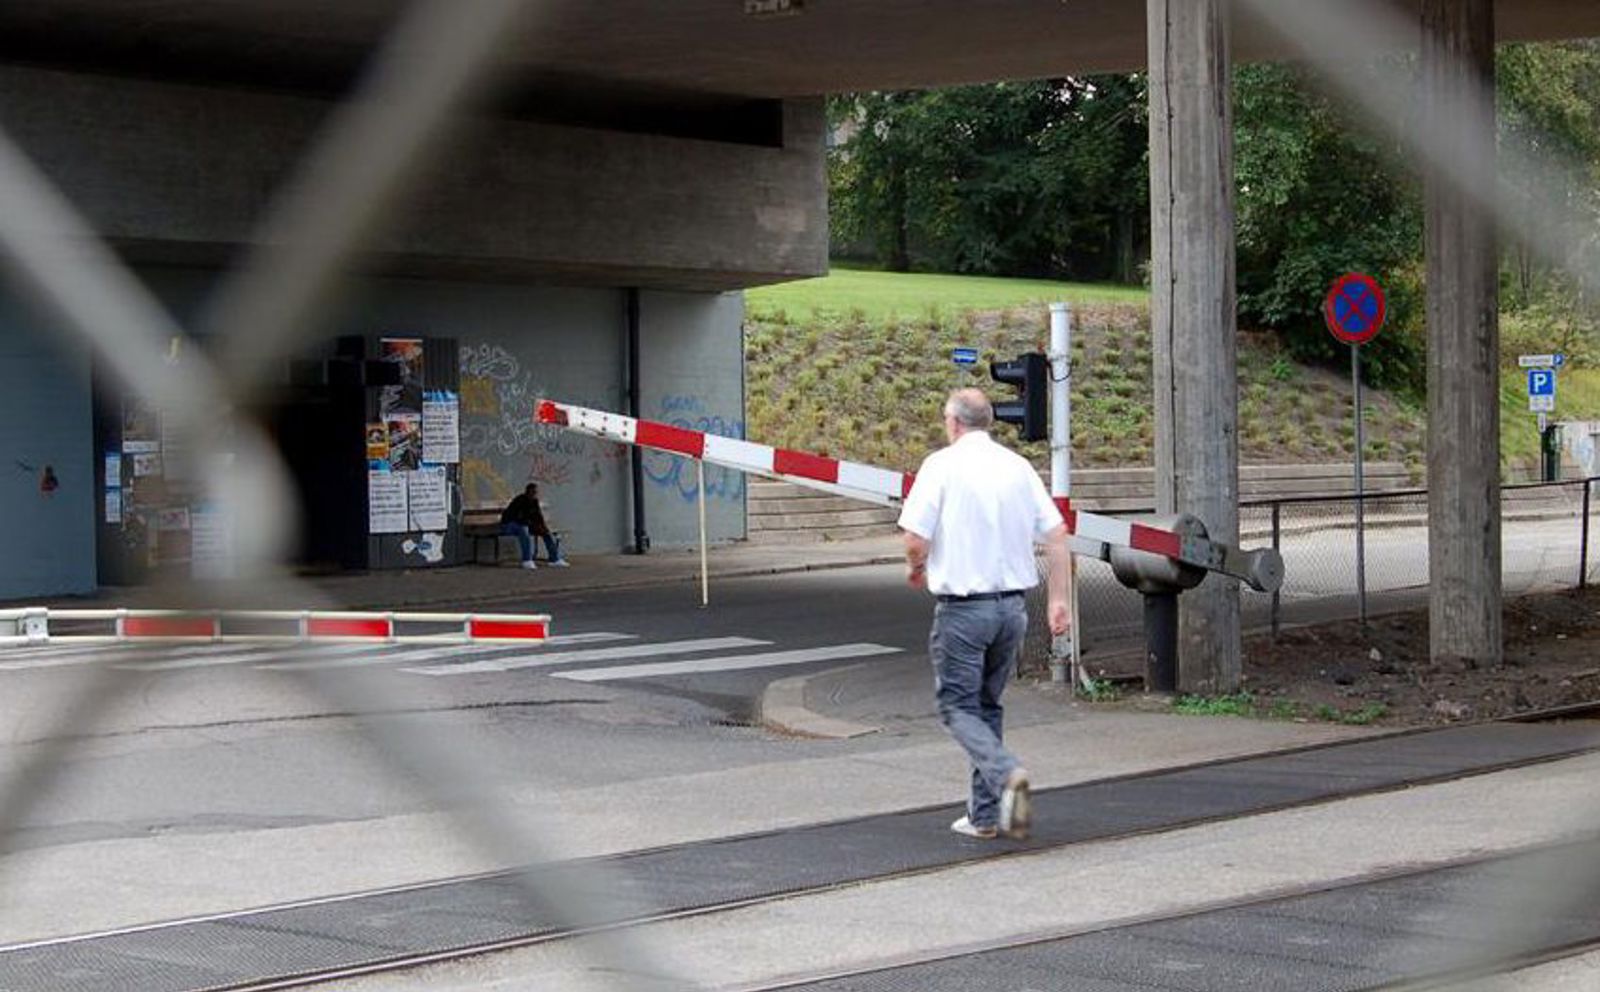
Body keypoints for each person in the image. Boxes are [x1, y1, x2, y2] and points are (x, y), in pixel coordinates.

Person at [897, 388, 1070, 840]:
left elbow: (915, 537)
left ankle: (1005, 771)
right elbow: (1057, 534)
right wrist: (1058, 600)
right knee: (987, 706)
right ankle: (984, 816)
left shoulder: (941, 465)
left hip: (964, 612)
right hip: (1012, 610)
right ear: (988, 422)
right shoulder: (1017, 467)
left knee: (956, 705)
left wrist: (917, 568)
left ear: (953, 423)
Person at [499, 483, 568, 569]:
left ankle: (554, 559)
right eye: (533, 492)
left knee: (546, 533)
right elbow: (515, 517)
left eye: (536, 492)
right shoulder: (519, 500)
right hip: (509, 525)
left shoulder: (535, 502)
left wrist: (544, 528)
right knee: (523, 530)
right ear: (528, 492)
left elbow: (538, 517)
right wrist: (530, 524)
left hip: (526, 524)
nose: (535, 494)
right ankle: (527, 560)